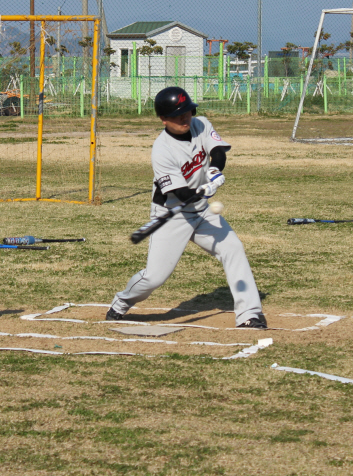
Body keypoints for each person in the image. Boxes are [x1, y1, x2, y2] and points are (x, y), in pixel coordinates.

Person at [107, 86, 268, 329]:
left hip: (202, 211)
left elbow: (217, 151)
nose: (184, 118)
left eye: (187, 112)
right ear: (163, 119)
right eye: (177, 115)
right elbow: (178, 193)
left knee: (233, 249)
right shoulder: (162, 150)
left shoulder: (200, 124)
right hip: (172, 215)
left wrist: (214, 171)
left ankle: (249, 314)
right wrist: (203, 190)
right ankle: (120, 303)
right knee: (154, 277)